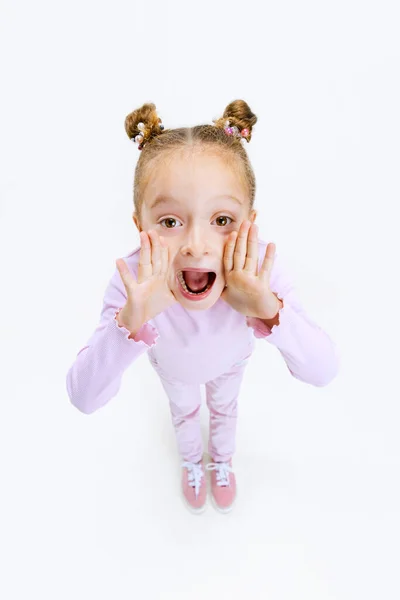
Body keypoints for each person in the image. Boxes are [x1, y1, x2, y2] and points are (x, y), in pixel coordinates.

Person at [66, 100, 339, 515]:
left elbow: (323, 371)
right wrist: (131, 319)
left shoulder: (258, 268)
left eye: (222, 220)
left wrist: (266, 306)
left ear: (250, 220)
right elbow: (83, 397)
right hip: (172, 370)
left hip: (231, 364)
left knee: (225, 408)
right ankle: (193, 461)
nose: (196, 244)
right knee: (184, 411)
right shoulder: (135, 280)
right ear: (140, 225)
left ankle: (222, 461)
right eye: (170, 222)